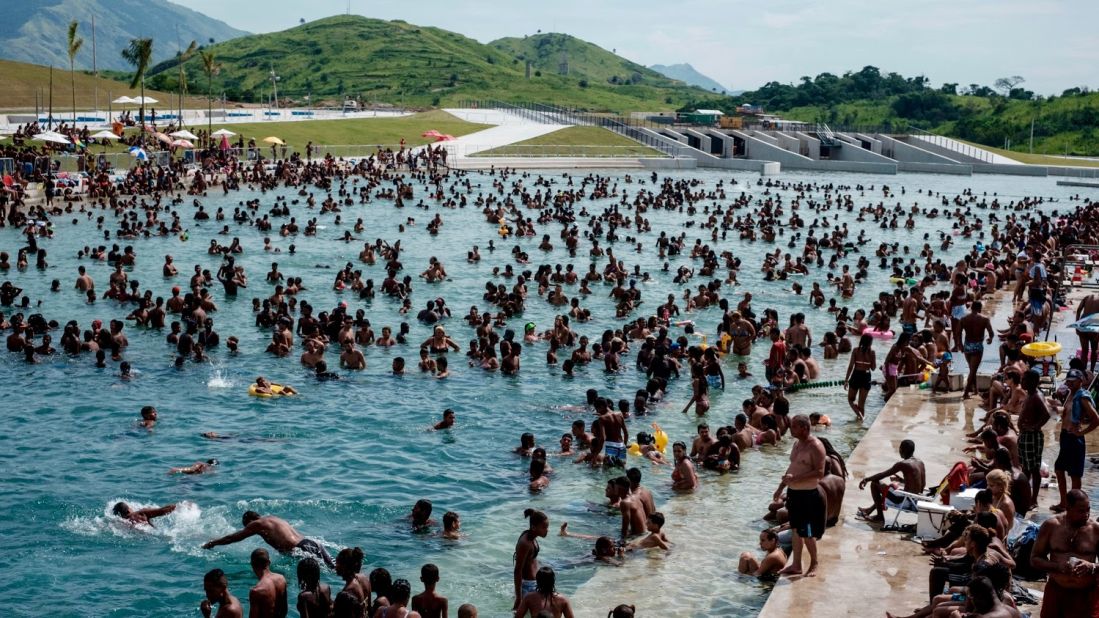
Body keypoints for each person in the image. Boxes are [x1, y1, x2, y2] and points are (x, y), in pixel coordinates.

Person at [1030, 489, 1099, 617]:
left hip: (1086, 595)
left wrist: (1091, 566)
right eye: (1081, 511)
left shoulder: (1095, 530)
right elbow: (1034, 558)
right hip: (1056, 592)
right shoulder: (1051, 526)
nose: (1086, 514)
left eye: (1088, 509)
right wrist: (1058, 567)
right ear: (1068, 508)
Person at [773, 414, 826, 576]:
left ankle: (814, 563)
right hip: (793, 494)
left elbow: (819, 472)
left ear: (804, 428)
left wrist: (795, 479)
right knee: (796, 529)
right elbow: (792, 467)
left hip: (808, 495)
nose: (790, 428)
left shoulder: (816, 446)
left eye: (794, 426)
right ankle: (796, 565)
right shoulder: (797, 444)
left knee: (808, 533)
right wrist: (780, 487)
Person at [202, 511, 335, 568]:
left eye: (247, 526)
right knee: (335, 569)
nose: (249, 530)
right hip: (311, 543)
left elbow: (234, 537)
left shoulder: (256, 524)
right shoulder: (272, 518)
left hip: (302, 549)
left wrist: (214, 542)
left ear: (250, 522)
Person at [1051, 368, 1099, 513]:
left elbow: (1096, 419)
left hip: (1074, 439)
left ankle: (1074, 507)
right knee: (1059, 469)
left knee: (1075, 474)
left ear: (1080, 381)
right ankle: (1064, 502)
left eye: (1073, 381)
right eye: (1068, 380)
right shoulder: (1070, 394)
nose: (1070, 383)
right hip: (1065, 436)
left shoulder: (1082, 397)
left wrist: (1081, 433)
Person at [855, 439, 926, 524]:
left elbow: (883, 474)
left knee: (875, 483)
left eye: (900, 448)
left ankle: (879, 517)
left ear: (903, 450)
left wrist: (866, 479)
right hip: (917, 500)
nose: (899, 450)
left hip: (905, 501)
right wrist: (900, 480)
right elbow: (921, 484)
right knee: (889, 488)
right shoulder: (920, 462)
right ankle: (869, 510)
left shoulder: (903, 464)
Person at [1017, 370, 1050, 507]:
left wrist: (1035, 427)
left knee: (1034, 468)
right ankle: (1026, 495)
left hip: (1032, 436)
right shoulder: (1029, 395)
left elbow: (1046, 414)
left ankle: (1034, 499)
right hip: (1025, 435)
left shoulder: (1036, 396)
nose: (1022, 382)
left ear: (1033, 382)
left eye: (1024, 380)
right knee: (1025, 468)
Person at [514, 508, 548, 611]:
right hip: (528, 586)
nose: (547, 530)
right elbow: (517, 570)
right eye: (544, 527)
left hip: (533, 584)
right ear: (533, 527)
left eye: (547, 527)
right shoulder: (525, 543)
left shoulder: (531, 536)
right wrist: (519, 597)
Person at [959, 300, 994, 399]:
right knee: (973, 370)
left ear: (971, 307)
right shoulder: (985, 319)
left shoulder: (964, 318)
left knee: (972, 369)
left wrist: (960, 344)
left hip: (967, 345)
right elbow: (991, 332)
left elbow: (958, 333)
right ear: (980, 308)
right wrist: (990, 339)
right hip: (977, 345)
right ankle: (966, 393)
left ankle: (975, 390)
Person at [248, 548, 288, 618]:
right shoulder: (281, 579)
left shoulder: (256, 591)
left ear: (252, 564)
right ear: (269, 562)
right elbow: (284, 609)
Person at [844, 333, 875, 420]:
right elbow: (873, 368)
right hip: (866, 376)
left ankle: (860, 416)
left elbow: (851, 366)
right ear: (870, 342)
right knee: (862, 404)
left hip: (856, 375)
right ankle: (860, 422)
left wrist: (846, 380)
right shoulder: (872, 352)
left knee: (850, 400)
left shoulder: (855, 350)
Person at [112, 501, 176, 526]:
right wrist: (179, 506)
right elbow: (162, 511)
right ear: (129, 509)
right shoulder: (141, 512)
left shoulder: (121, 522)